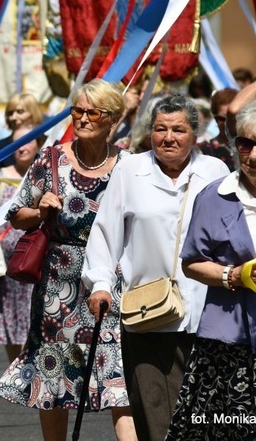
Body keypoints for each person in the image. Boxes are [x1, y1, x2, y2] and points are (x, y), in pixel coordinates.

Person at [0, 79, 135, 440]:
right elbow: (15, 214)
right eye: (77, 110)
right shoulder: (50, 158)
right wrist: (39, 210)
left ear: (113, 119)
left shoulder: (129, 165)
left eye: (92, 112)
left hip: (111, 285)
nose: (83, 118)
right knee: (53, 375)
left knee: (117, 374)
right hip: (58, 288)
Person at [84, 94, 230, 441]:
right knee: (153, 414)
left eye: (178, 130)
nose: (168, 138)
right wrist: (100, 284)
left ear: (195, 134)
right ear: (149, 133)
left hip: (207, 312)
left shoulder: (214, 171)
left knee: (206, 413)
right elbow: (105, 234)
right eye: (160, 129)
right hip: (148, 314)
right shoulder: (130, 170)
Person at [166, 99, 256, 439]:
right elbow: (191, 262)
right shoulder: (215, 196)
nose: (254, 155)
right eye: (245, 144)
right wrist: (231, 275)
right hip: (231, 329)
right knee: (231, 425)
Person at [0, 126, 42, 362]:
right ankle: (15, 369)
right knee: (10, 324)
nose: (23, 147)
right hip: (8, 267)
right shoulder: (0, 177)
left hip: (37, 263)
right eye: (18, 142)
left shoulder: (44, 173)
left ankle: (33, 370)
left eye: (28, 142)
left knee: (33, 320)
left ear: (38, 146)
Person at [0, 93, 45, 174]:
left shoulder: (51, 144)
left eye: (20, 112)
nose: (13, 117)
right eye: (10, 113)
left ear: (33, 113)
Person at [197, 88, 238, 171]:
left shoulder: (252, 146)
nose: (227, 123)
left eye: (232, 117)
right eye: (221, 118)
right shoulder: (204, 150)